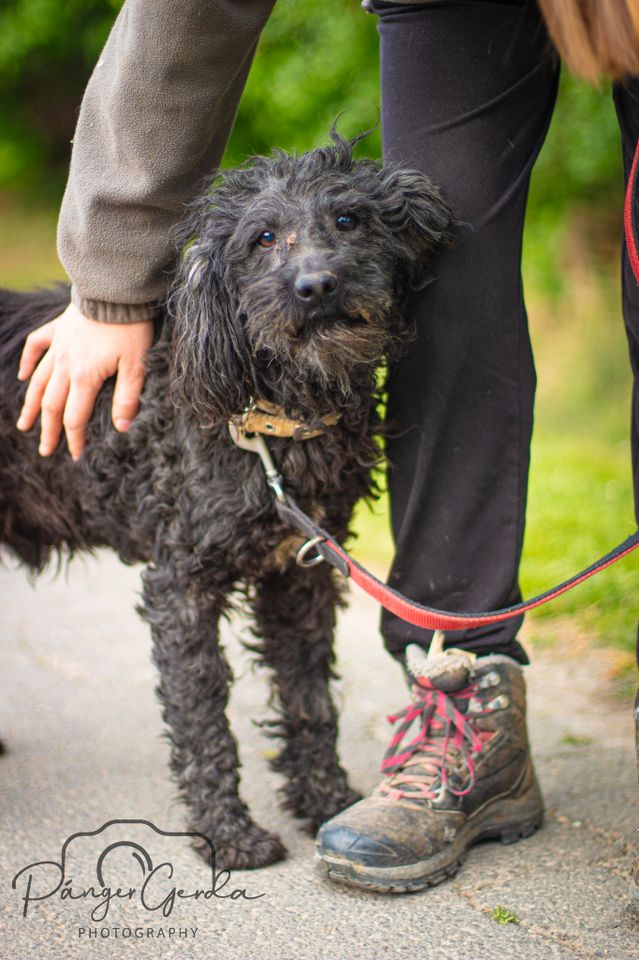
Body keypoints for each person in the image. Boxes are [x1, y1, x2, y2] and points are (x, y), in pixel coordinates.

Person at [15, 0, 639, 892]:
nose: (311, 266)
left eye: (344, 230)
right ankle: (461, 686)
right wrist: (110, 290)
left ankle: (322, 779)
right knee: (460, 297)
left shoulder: (335, 418)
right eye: (271, 244)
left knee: (300, 585)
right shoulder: (215, 401)